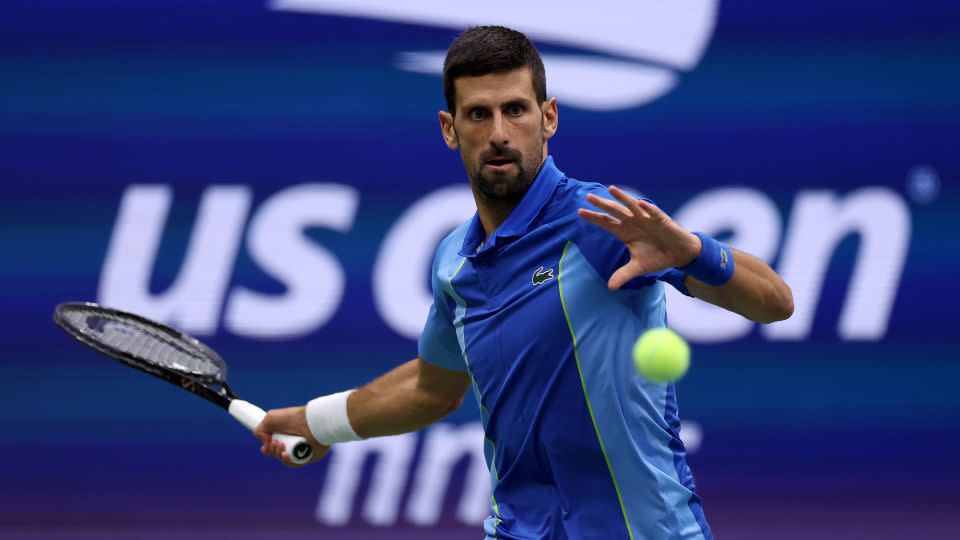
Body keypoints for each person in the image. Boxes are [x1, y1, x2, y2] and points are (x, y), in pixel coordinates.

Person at [255, 25, 793, 540]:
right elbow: (431, 388)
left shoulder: (602, 222)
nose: (497, 134)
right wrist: (317, 421)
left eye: (515, 110)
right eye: (478, 114)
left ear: (548, 117)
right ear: (449, 128)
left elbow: (776, 303)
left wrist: (693, 252)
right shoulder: (452, 264)